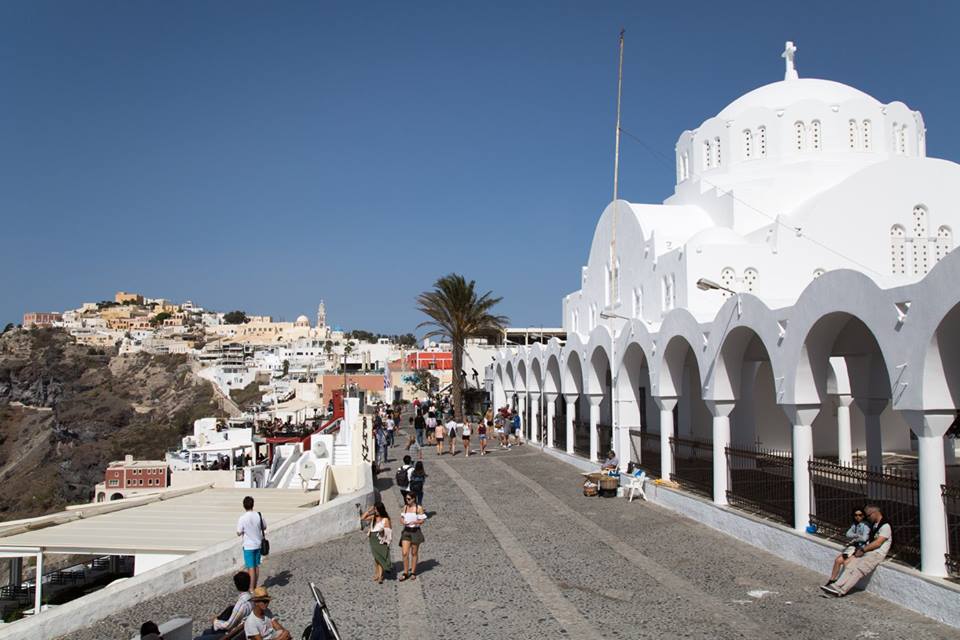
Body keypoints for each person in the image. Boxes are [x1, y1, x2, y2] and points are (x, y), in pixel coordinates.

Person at [821, 504, 892, 597]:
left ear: (875, 513)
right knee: (850, 565)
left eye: (868, 515)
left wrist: (863, 550)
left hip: (876, 554)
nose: (868, 518)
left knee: (859, 570)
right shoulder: (875, 525)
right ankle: (836, 585)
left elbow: (878, 543)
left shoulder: (885, 526)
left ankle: (842, 590)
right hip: (868, 551)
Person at [195, 571, 253, 639]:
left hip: (232, 635)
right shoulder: (251, 598)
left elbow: (228, 625)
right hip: (240, 631)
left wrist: (215, 622)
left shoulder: (241, 604)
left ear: (236, 585)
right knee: (206, 632)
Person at [825, 509, 871, 587]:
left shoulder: (866, 525)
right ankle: (832, 579)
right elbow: (848, 534)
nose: (858, 517)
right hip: (854, 547)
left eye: (860, 515)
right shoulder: (855, 525)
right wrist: (857, 535)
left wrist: (855, 537)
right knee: (838, 560)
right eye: (856, 515)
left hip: (861, 548)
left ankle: (843, 583)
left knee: (847, 563)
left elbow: (864, 538)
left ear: (863, 516)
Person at [236, 496, 266, 589]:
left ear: (244, 506)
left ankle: (251, 589)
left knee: (251, 567)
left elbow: (238, 532)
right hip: (258, 544)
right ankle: (255, 586)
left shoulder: (242, 518)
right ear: (253, 504)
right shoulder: (258, 515)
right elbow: (264, 527)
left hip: (248, 546)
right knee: (256, 566)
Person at [361, 501, 393, 584]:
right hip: (372, 539)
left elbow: (388, 532)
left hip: (380, 540)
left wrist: (386, 542)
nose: (375, 511)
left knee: (380, 557)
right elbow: (363, 518)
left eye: (376, 509)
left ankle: (380, 576)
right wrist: (369, 510)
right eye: (375, 509)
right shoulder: (373, 517)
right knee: (376, 558)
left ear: (380, 510)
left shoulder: (385, 519)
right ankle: (377, 573)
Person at [398, 491, 427, 581]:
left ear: (414, 499)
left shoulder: (418, 508)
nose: (407, 500)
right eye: (406, 499)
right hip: (406, 531)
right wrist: (403, 522)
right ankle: (406, 572)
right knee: (404, 553)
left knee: (414, 553)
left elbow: (422, 521)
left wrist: (416, 522)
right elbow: (401, 518)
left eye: (409, 499)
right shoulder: (405, 507)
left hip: (415, 532)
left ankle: (413, 572)